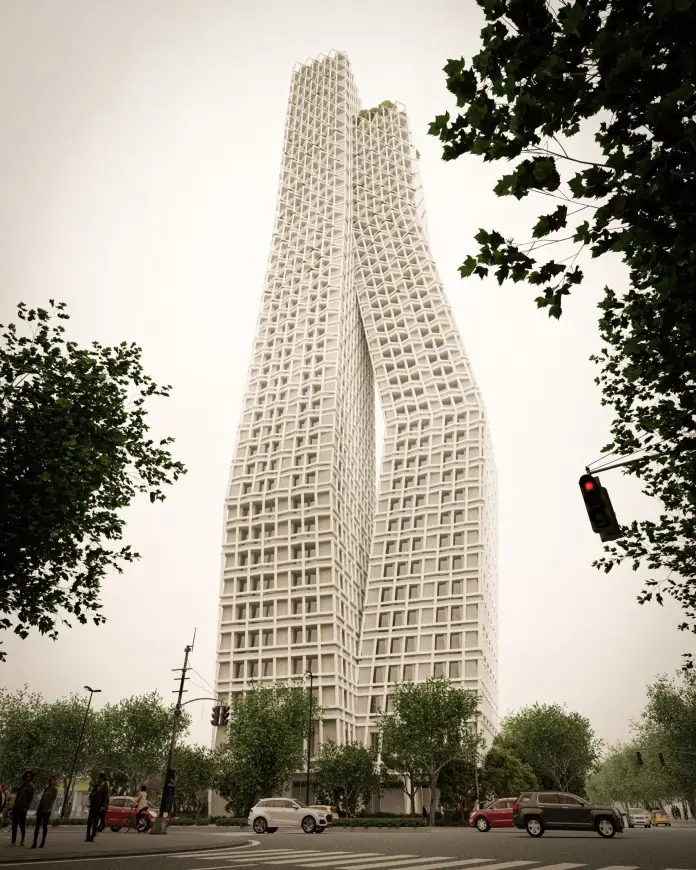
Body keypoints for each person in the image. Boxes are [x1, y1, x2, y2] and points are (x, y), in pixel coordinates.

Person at [31, 776, 58, 849]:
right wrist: (38, 809)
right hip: (41, 808)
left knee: (44, 825)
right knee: (37, 826)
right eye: (49, 780)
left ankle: (43, 841)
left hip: (47, 810)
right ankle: (34, 842)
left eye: (51, 780)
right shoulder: (46, 789)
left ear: (54, 781)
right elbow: (42, 799)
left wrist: (48, 809)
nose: (50, 781)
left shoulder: (54, 790)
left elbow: (53, 800)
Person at [11, 771, 35, 846]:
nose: (27, 778)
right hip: (16, 806)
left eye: (29, 776)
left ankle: (23, 839)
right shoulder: (22, 785)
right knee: (14, 824)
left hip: (23, 808)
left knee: (22, 824)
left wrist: (27, 807)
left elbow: (30, 798)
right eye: (26, 776)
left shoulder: (31, 787)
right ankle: (13, 841)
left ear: (31, 777)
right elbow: (17, 795)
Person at [85, 774, 108, 842]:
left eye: (100, 778)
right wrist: (92, 794)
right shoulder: (96, 786)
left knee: (95, 822)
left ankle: (92, 836)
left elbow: (105, 798)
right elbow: (91, 795)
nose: (99, 779)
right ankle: (87, 836)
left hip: (99, 807)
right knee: (89, 822)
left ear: (103, 779)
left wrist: (103, 806)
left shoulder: (105, 787)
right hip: (92, 806)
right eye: (98, 778)